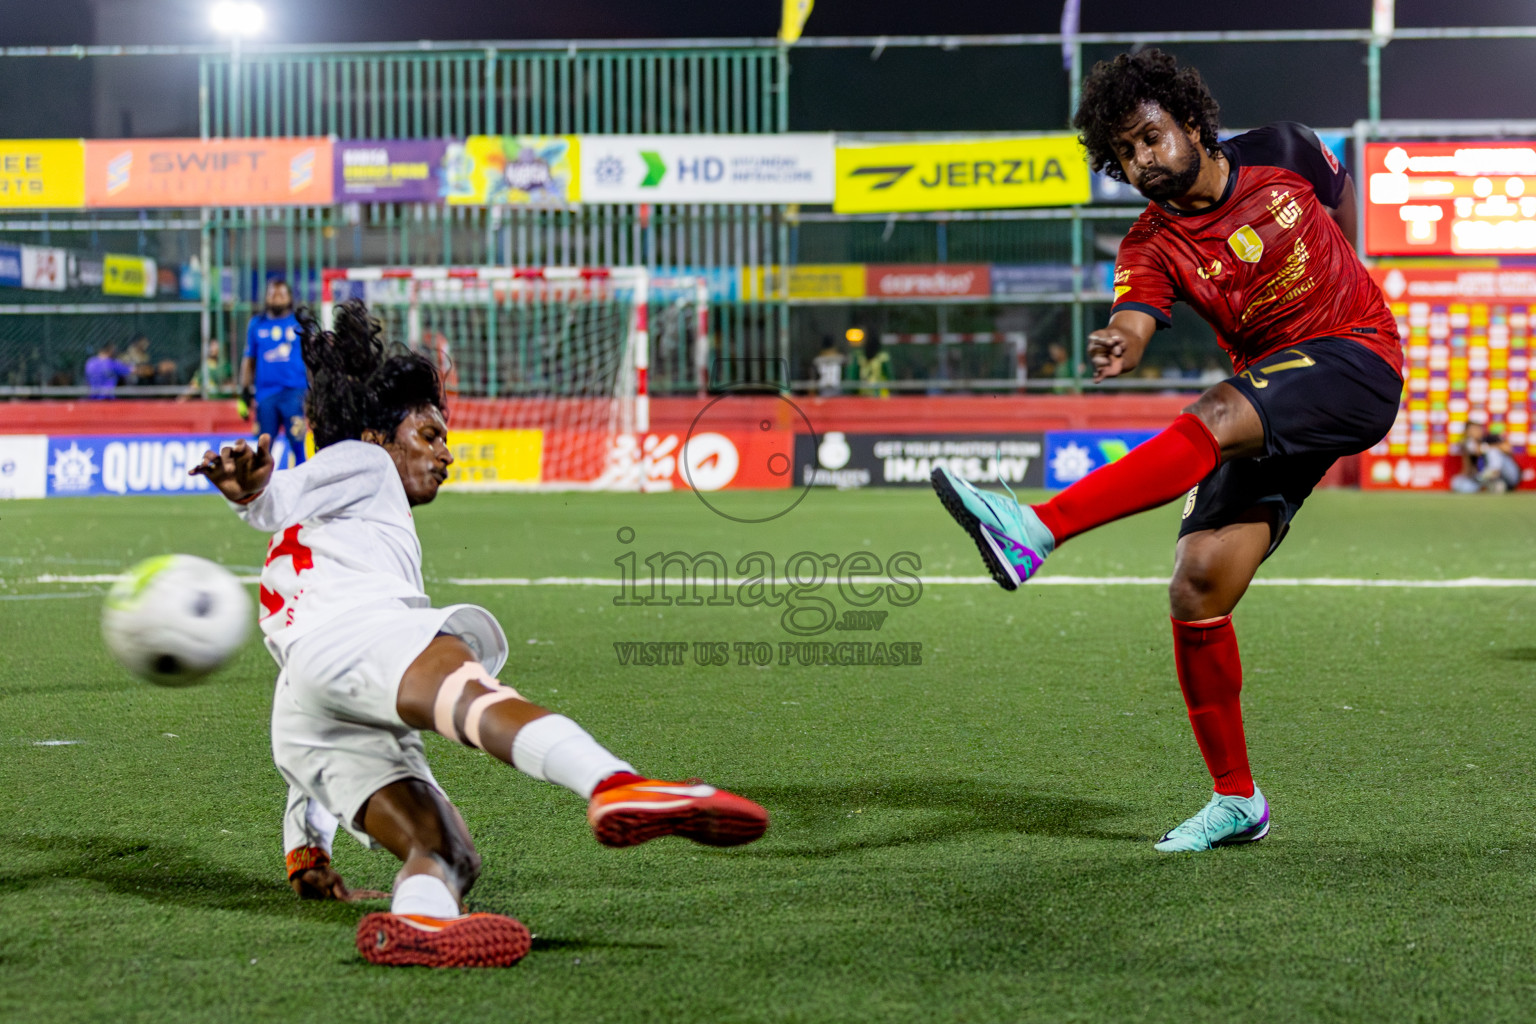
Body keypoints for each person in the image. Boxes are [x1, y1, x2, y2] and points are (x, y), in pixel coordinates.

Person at [192, 300, 768, 968]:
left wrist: (307, 846)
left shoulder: (330, 537)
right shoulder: (363, 461)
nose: (446, 454)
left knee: (447, 853)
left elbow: (325, 673)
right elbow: (279, 498)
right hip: (359, 639)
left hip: (304, 704)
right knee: (468, 687)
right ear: (379, 436)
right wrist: (252, 494)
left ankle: (420, 923)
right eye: (429, 434)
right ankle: (614, 783)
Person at [930, 48, 1403, 852]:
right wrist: (1120, 338)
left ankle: (1037, 530)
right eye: (1121, 154)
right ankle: (1238, 801)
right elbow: (1136, 316)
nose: (1139, 160)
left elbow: (1344, 211)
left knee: (1216, 411)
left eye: (1148, 138)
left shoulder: (1286, 148)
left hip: (1357, 356)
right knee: (1197, 585)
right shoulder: (1149, 244)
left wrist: (1348, 283)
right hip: (1274, 393)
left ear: (1191, 121)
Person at [241, 279, 310, 466]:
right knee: (264, 448)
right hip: (266, 395)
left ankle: (303, 491)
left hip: (295, 393)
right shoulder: (257, 324)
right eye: (272, 294)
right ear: (266, 297)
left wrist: (314, 390)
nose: (276, 298)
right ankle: (260, 491)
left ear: (289, 298)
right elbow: (249, 359)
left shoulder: (299, 324)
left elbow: (310, 359)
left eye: (281, 294)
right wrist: (245, 391)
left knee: (298, 444)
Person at [1452, 421, 1521, 493]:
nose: (1474, 432)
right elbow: (1467, 469)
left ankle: (1490, 473)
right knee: (1457, 482)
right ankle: (1492, 484)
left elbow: (1508, 448)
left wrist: (1484, 448)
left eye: (1476, 429)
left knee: (1493, 452)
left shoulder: (1490, 438)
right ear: (1467, 432)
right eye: (1471, 430)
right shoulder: (1468, 446)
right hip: (1485, 478)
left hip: (1509, 474)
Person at [177, 338, 235, 402]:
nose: (211, 348)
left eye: (215, 345)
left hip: (224, 402)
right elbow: (193, 387)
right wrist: (179, 401)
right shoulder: (206, 367)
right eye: (211, 345)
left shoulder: (227, 366)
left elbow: (232, 389)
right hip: (209, 402)